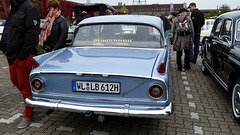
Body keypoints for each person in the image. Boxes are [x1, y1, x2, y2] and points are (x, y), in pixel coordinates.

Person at [0, 0, 40, 128]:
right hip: (12, 55)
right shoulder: (15, 8)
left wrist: (23, 55)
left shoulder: (30, 8)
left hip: (23, 56)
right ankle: (33, 100)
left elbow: (32, 34)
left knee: (24, 86)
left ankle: (28, 115)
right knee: (14, 81)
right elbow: (8, 30)